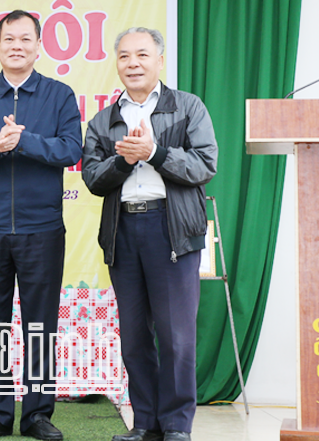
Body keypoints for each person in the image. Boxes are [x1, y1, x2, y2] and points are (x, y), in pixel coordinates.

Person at [0, 10, 82, 441]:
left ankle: (39, 414)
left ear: (39, 46)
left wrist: (24, 141)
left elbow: (69, 149)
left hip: (41, 227)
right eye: (9, 39)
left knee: (40, 323)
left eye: (25, 39)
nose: (17, 46)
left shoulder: (59, 95)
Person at [81, 28, 217, 441]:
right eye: (124, 56)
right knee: (135, 335)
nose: (133, 63)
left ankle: (176, 425)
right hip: (124, 230)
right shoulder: (105, 120)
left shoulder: (188, 107)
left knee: (176, 336)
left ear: (160, 61)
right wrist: (126, 161)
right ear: (117, 64)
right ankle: (145, 423)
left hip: (171, 230)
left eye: (142, 55)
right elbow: (92, 177)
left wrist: (154, 153)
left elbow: (204, 165)